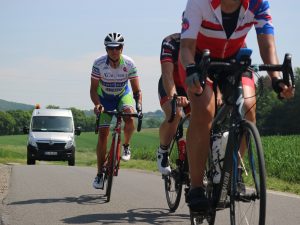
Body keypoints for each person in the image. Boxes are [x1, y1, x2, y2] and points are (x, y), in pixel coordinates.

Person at [179, 0, 295, 211]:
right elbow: (186, 47)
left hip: (235, 59)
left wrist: (277, 79)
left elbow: (267, 44)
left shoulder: (258, 4)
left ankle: (235, 172)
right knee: (204, 112)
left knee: (248, 108)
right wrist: (190, 69)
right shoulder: (199, 2)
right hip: (198, 60)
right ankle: (195, 187)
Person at [90, 32, 142, 189]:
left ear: (122, 48)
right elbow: (93, 90)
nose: (114, 51)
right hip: (104, 98)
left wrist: (138, 104)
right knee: (103, 135)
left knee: (129, 116)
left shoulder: (129, 63)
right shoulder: (98, 64)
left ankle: (125, 145)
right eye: (111, 48)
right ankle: (99, 174)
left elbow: (136, 90)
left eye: (117, 47)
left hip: (122, 96)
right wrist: (98, 104)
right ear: (106, 49)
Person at [156, 33, 190, 175]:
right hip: (170, 84)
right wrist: (174, 95)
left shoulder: (206, 43)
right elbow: (167, 74)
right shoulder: (170, 42)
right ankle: (163, 150)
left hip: (191, 86)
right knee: (174, 114)